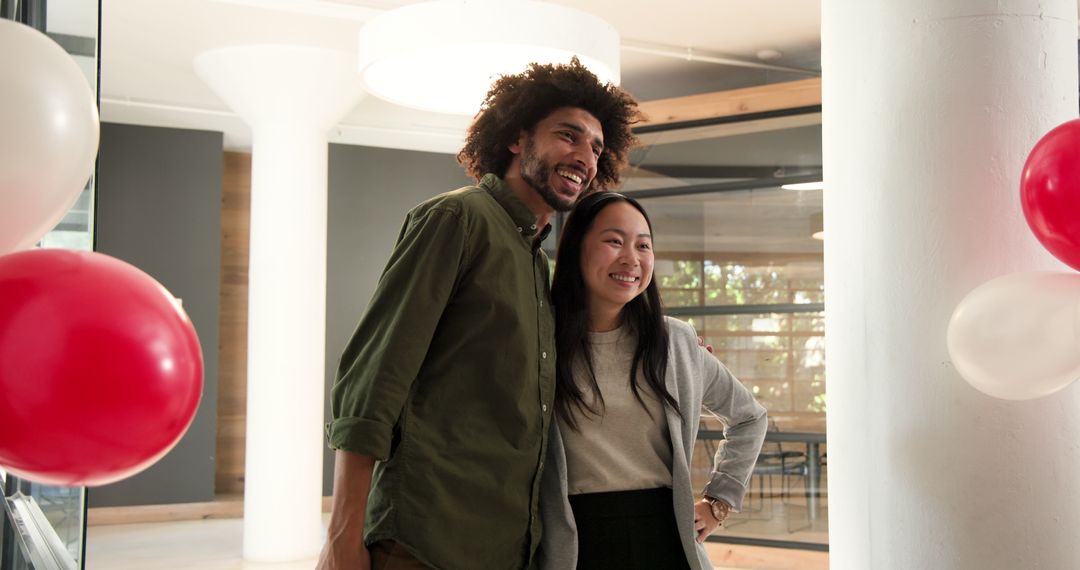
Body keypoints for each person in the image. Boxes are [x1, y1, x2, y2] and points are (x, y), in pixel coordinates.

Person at [316, 58, 641, 570]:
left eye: (597, 147)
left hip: (504, 546)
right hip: (424, 542)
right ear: (517, 139)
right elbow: (371, 383)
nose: (585, 156)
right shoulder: (457, 218)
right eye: (568, 136)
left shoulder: (537, 261)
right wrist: (341, 538)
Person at [538, 192, 768, 570]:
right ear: (577, 247)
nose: (632, 258)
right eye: (614, 241)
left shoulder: (674, 342)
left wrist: (718, 502)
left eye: (643, 245)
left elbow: (749, 417)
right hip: (575, 541)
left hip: (666, 539)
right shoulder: (540, 342)